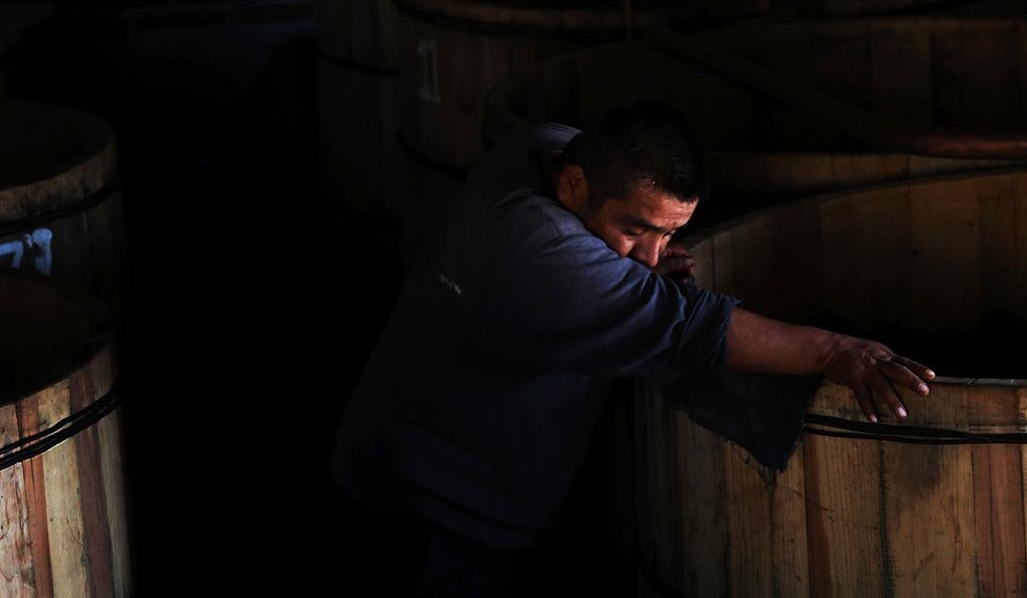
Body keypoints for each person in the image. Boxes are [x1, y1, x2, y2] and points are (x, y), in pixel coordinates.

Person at [330, 100, 935, 596]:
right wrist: (836, 352)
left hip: (420, 478)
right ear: (572, 184)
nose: (652, 256)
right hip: (432, 514)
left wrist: (621, 250)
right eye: (635, 229)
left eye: (668, 232)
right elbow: (692, 326)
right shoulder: (539, 254)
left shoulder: (542, 145)